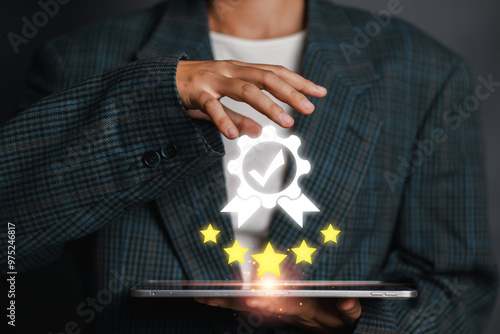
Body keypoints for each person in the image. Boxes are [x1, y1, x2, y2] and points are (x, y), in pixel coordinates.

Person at [1, 0, 497, 332]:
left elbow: (460, 286)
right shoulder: (79, 59)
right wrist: (152, 99)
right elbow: (11, 238)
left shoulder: (424, 70)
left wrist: (363, 327)